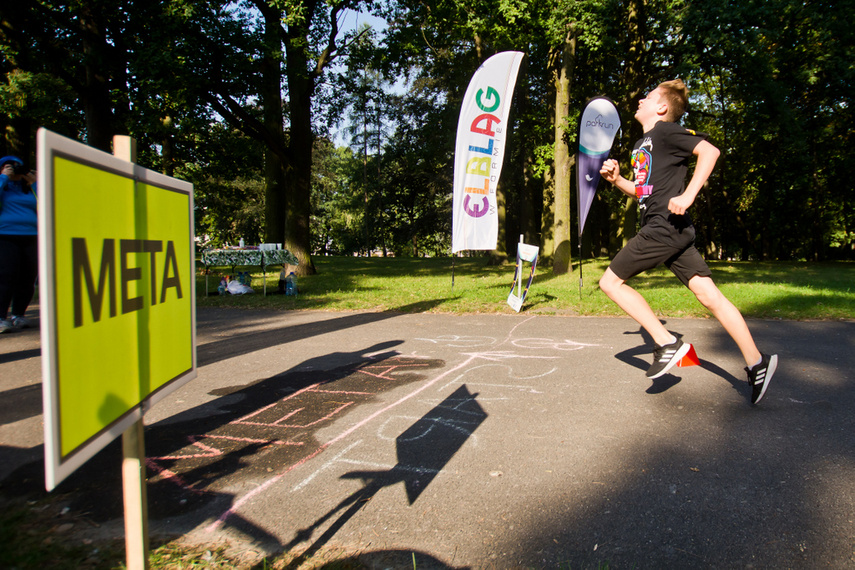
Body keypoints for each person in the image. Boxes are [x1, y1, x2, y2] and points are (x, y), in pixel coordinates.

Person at [598, 79, 777, 405]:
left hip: (664, 226)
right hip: (669, 226)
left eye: (648, 96)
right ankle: (757, 361)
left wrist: (689, 193)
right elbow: (644, 192)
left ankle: (666, 343)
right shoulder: (644, 143)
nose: (640, 99)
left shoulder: (666, 131)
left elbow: (710, 151)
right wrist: (617, 180)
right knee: (709, 295)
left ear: (662, 108)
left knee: (610, 283)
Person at [0, 155, 39, 333]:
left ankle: (19, 315)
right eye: (9, 166)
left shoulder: (29, 187)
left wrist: (36, 183)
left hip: (31, 236)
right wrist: (3, 177)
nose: (15, 169)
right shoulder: (3, 185)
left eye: (17, 166)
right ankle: (1, 317)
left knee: (28, 277)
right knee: (7, 277)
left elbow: (49, 202)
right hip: (5, 236)